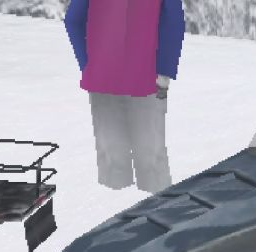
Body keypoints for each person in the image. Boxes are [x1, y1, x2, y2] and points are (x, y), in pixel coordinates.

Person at [64, 0, 185, 193]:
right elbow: (173, 22)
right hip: (146, 80)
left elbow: (73, 20)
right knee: (151, 160)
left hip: (103, 79)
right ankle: (159, 205)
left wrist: (89, 65)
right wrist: (164, 71)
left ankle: (112, 206)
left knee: (113, 159)